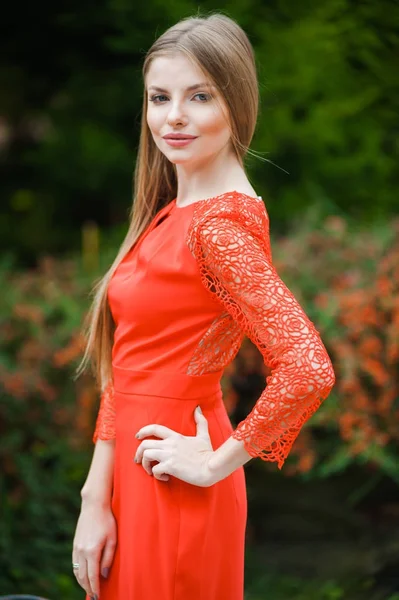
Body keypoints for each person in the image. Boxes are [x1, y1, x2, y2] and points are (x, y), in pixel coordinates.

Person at [72, 12, 336, 600]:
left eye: (199, 97)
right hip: (131, 480)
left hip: (177, 478)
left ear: (236, 104)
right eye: (159, 97)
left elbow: (308, 366)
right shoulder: (168, 210)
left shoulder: (220, 228)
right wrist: (96, 499)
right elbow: (127, 364)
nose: (174, 117)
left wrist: (217, 463)